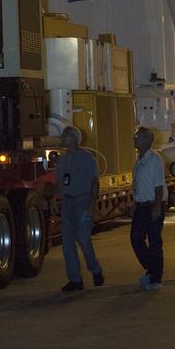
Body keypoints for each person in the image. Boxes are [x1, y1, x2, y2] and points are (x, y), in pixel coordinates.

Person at [55, 125, 103, 292]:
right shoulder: (63, 159)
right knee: (67, 243)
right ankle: (75, 279)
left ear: (74, 139)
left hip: (83, 202)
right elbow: (60, 182)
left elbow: (95, 183)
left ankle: (95, 269)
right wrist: (56, 198)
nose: (62, 138)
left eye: (65, 135)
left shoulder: (86, 158)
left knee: (83, 238)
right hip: (67, 204)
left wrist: (91, 206)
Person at [130, 126, 167, 291]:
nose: (134, 139)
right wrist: (135, 203)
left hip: (153, 205)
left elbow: (159, 185)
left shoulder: (154, 159)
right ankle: (151, 269)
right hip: (141, 205)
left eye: (137, 137)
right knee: (136, 238)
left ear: (147, 140)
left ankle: (156, 278)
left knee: (154, 242)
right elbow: (139, 184)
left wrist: (157, 206)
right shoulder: (140, 158)